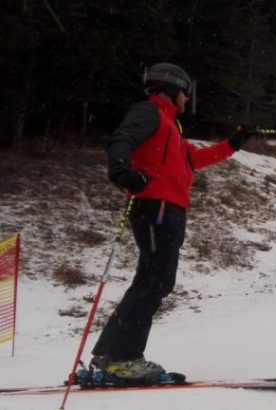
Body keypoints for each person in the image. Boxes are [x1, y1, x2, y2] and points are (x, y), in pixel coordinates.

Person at [89, 63, 256, 382]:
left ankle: (109, 354)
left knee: (150, 279)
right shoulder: (150, 113)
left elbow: (195, 159)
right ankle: (123, 358)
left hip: (168, 208)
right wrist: (122, 171)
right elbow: (121, 139)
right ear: (173, 91)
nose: (187, 100)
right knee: (157, 279)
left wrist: (234, 143)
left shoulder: (171, 127)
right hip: (156, 205)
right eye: (185, 94)